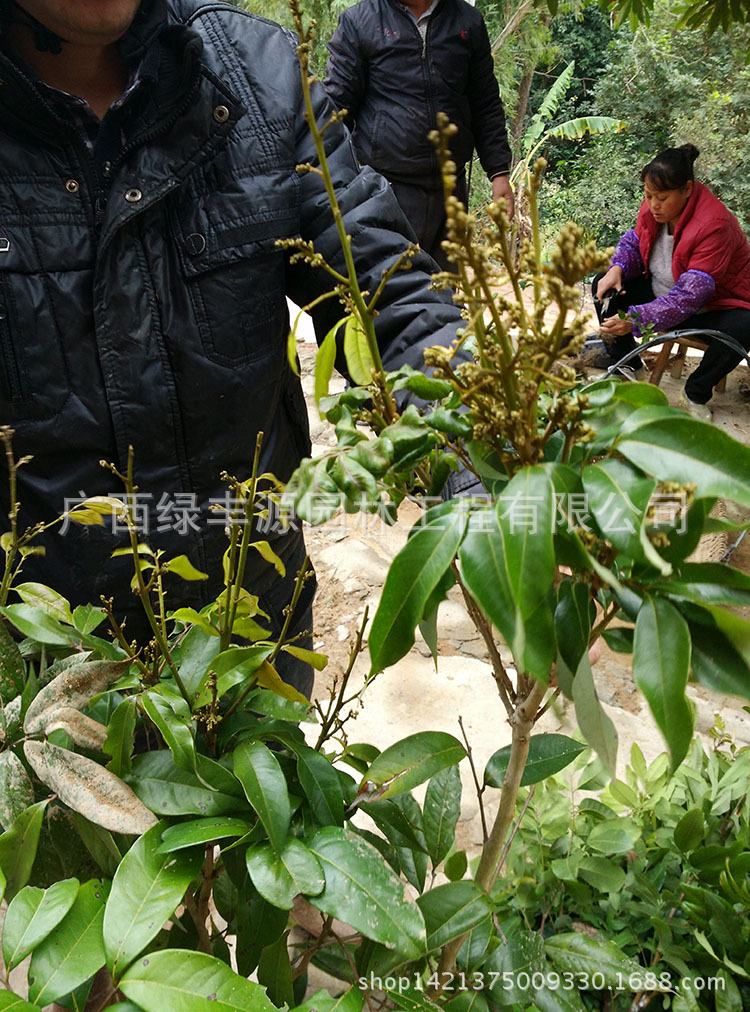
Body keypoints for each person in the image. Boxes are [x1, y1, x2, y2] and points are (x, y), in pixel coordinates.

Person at [0, 0, 467, 697]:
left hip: (254, 625)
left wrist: (475, 435)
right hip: (54, 670)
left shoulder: (257, 73)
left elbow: (384, 285)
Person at [324, 0, 514, 271]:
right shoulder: (360, 21)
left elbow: (485, 103)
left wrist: (499, 172)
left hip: (450, 194)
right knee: (389, 287)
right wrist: (332, 183)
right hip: (384, 191)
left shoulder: (467, 21)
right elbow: (335, 110)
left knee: (443, 289)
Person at [594, 143, 750, 419]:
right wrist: (617, 267)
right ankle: (628, 363)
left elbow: (689, 298)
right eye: (648, 195)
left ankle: (696, 392)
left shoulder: (715, 225)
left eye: (662, 197)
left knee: (744, 326)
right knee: (603, 284)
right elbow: (635, 241)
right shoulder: (654, 208)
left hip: (711, 308)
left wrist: (635, 319)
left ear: (687, 189)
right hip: (662, 293)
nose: (653, 204)